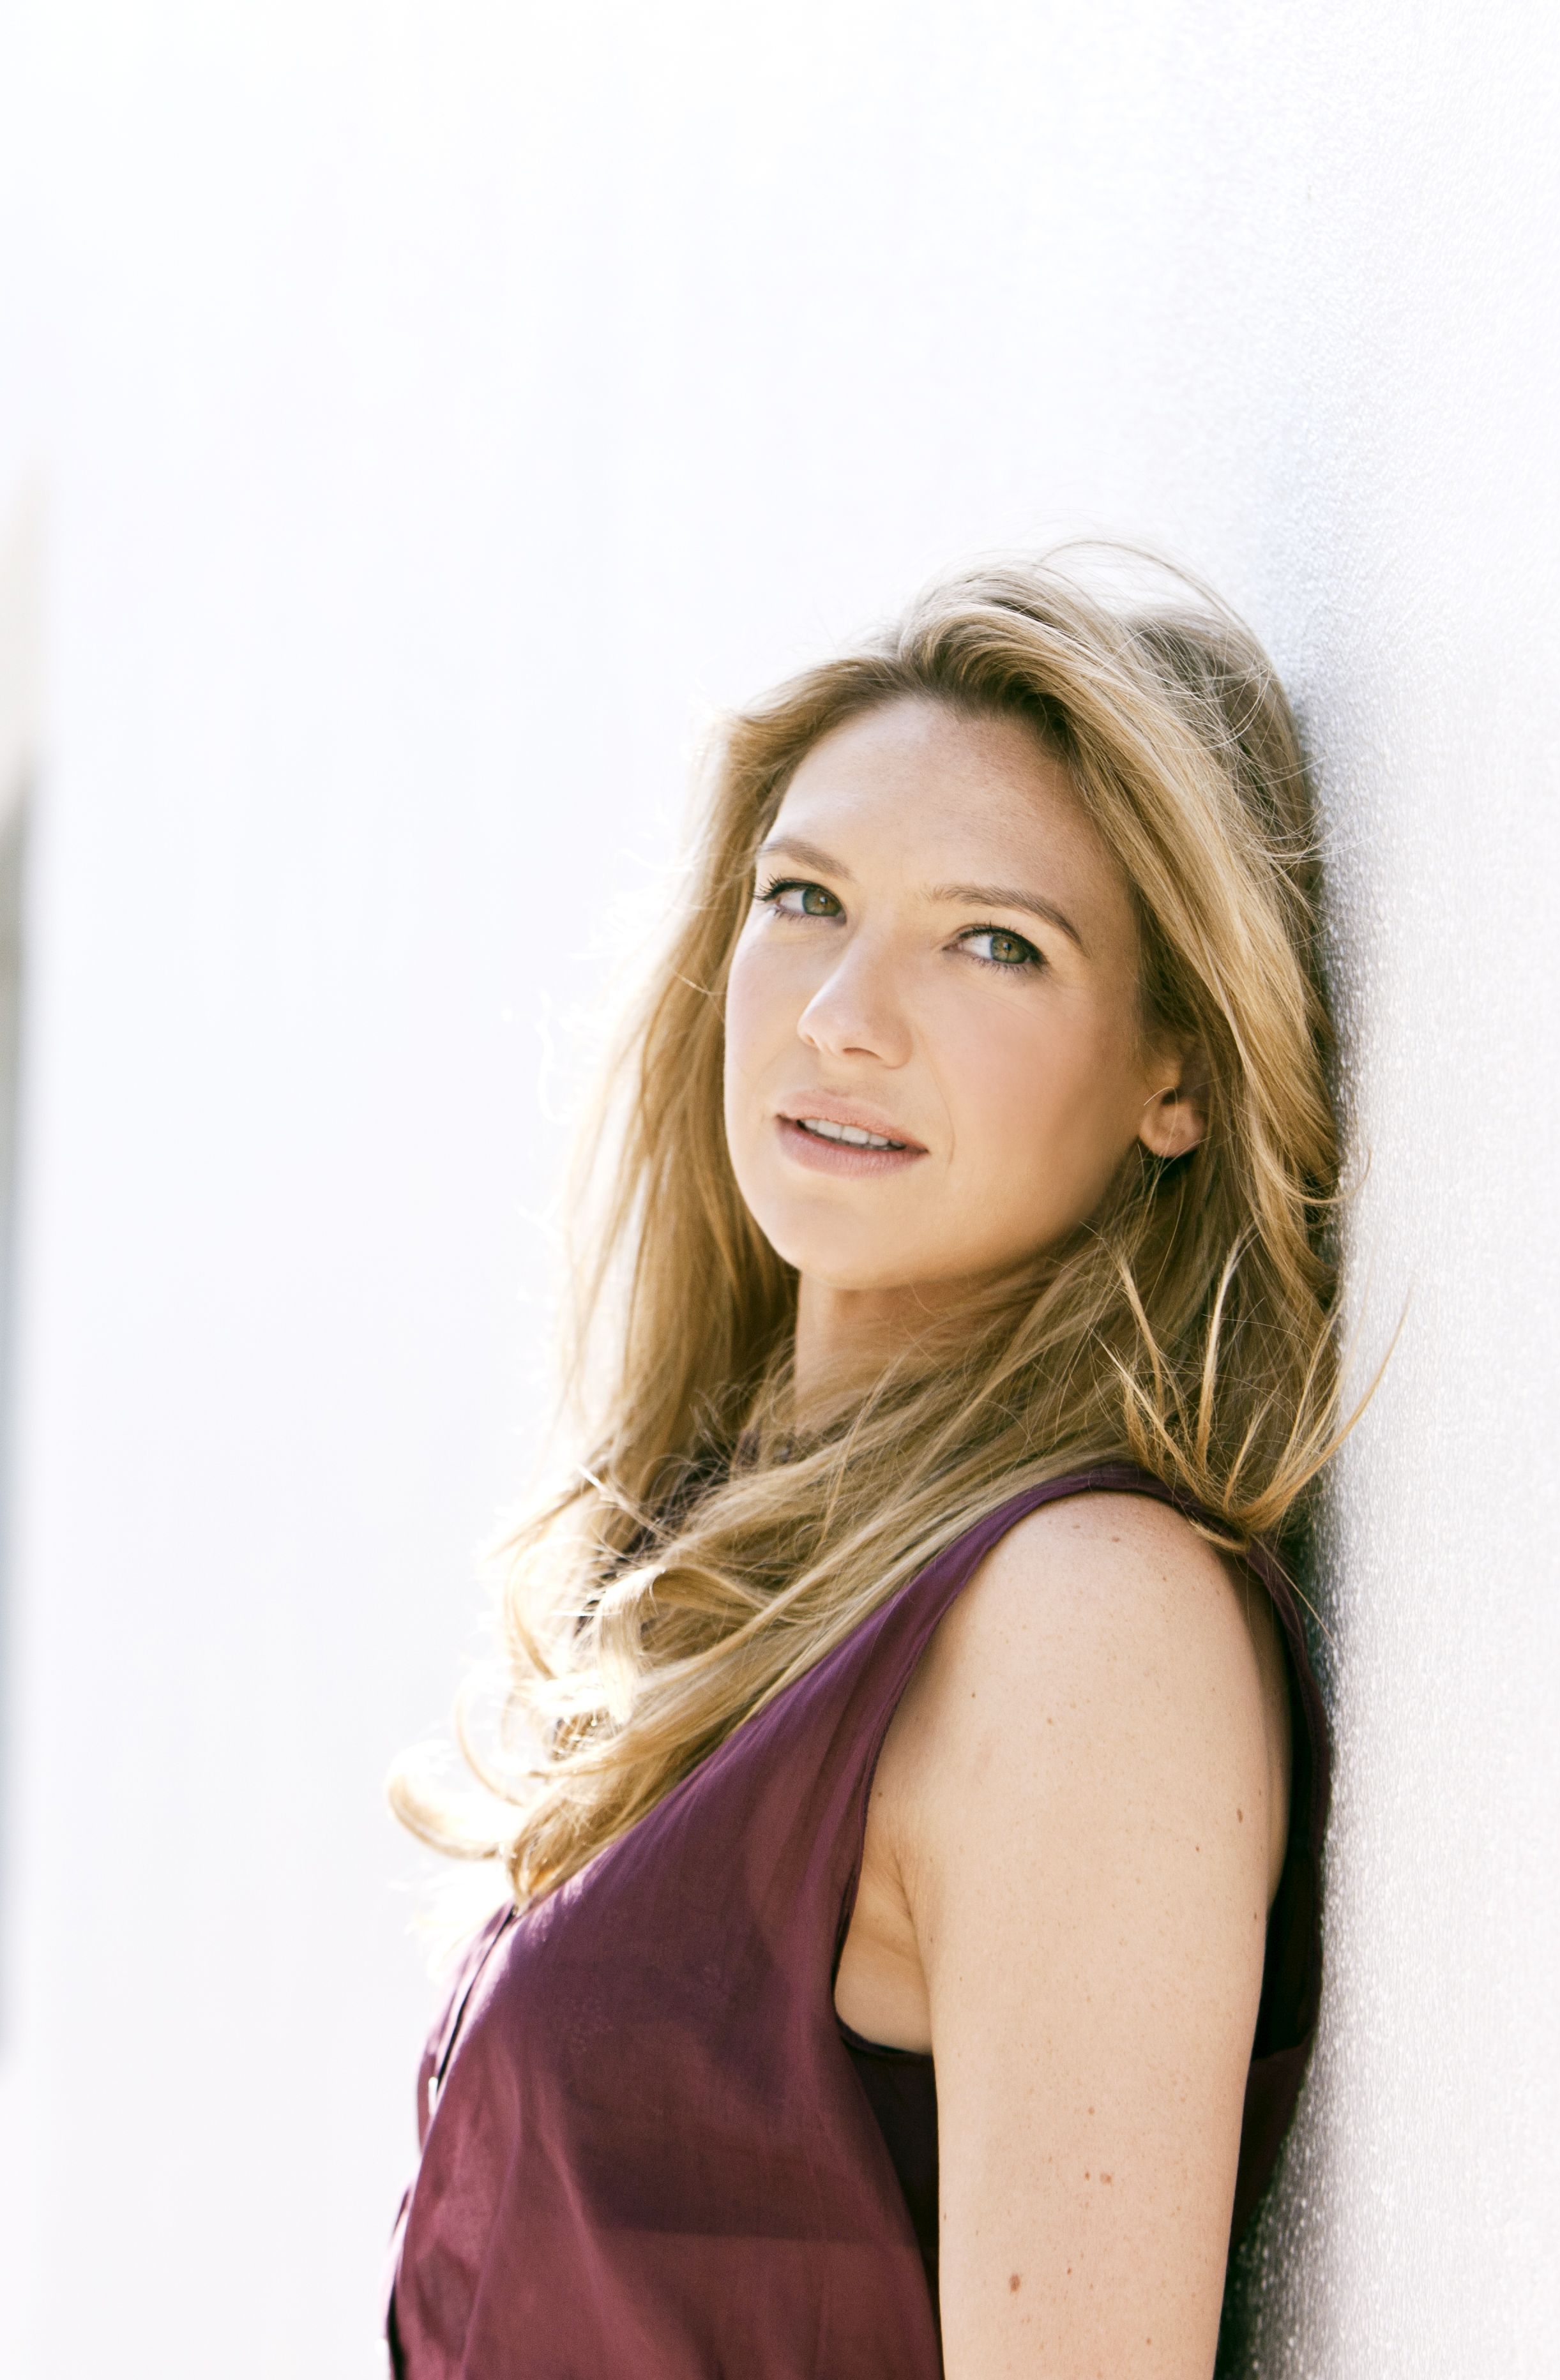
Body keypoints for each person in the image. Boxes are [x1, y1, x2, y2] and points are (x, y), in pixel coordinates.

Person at [386, 552, 1340, 2379]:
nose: (841, 1013)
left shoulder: (1087, 1623)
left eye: (995, 942)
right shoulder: (736, 1568)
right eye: (804, 898)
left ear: (1178, 1072)